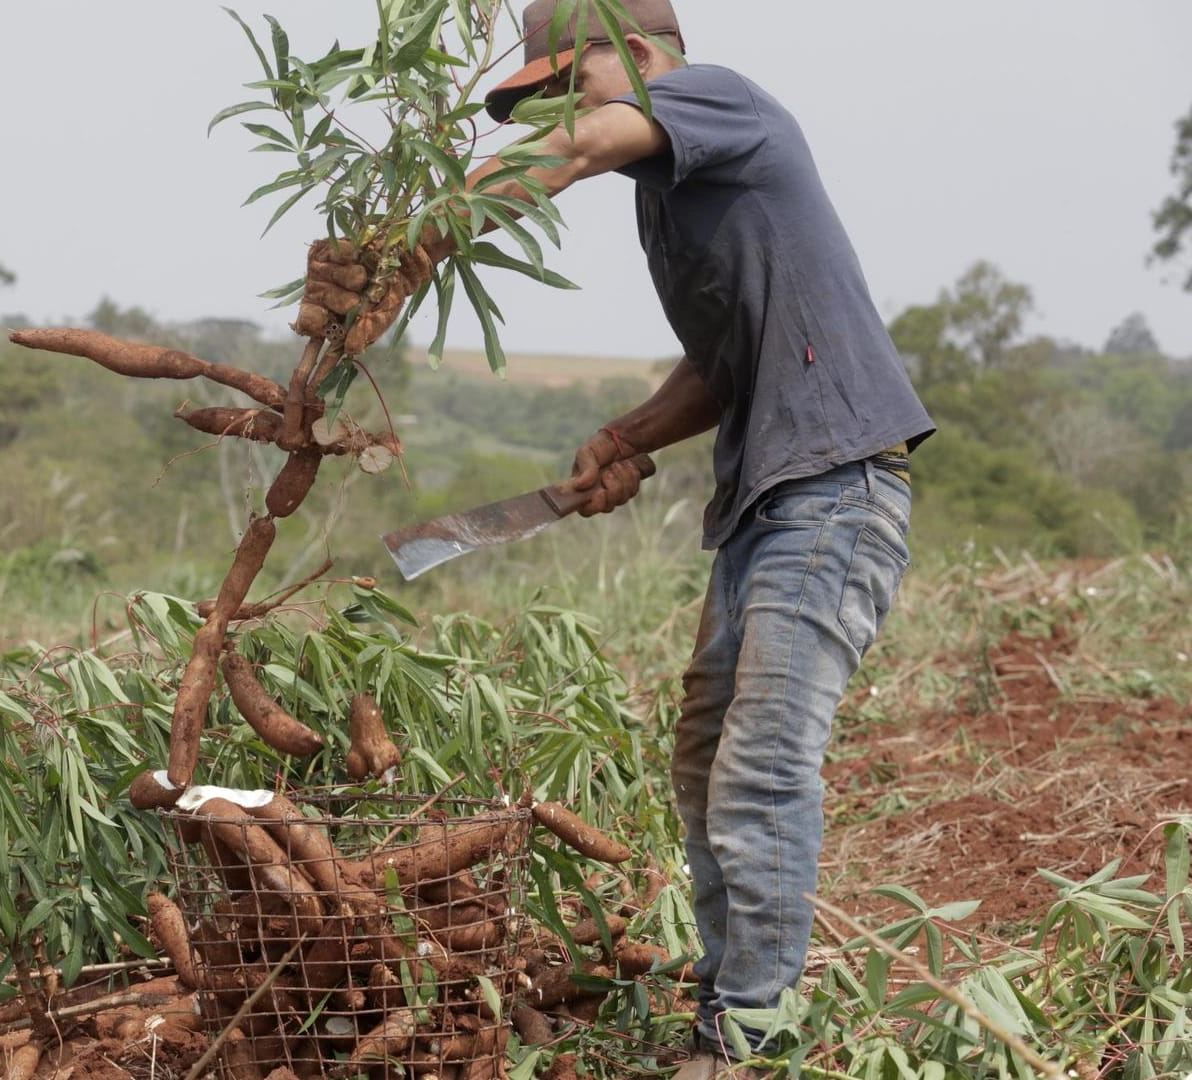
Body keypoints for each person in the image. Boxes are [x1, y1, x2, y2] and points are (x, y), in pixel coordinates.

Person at [296, 2, 934, 1075]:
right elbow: (726, 358)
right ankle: (732, 1003)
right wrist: (627, 436)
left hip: (833, 491)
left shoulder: (722, 99)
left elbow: (584, 144)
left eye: (563, 86)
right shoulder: (681, 193)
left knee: (762, 766)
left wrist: (410, 249)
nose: (555, 115)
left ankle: (750, 1037)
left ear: (639, 60)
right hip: (766, 503)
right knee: (706, 764)